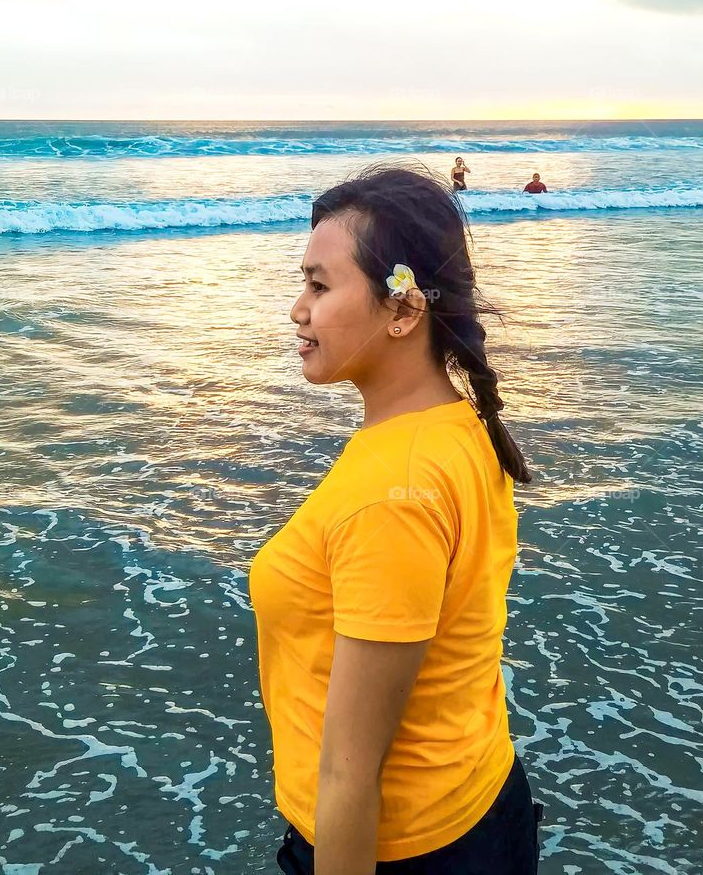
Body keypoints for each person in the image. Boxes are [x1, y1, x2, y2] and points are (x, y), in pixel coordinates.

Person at [249, 162, 543, 874]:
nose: (298, 308)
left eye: (319, 285)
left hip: (402, 850)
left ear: (404, 309)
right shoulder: (456, 425)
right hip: (477, 800)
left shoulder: (392, 492)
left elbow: (350, 777)